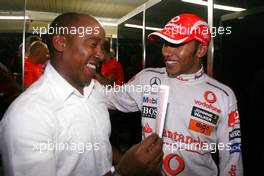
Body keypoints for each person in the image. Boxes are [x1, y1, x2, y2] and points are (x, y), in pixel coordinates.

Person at [0, 12, 163, 176]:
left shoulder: (93, 89)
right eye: (93, 44)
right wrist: (123, 172)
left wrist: (128, 160)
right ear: (61, 43)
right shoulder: (28, 116)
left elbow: (98, 142)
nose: (100, 54)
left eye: (101, 46)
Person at [106, 13, 243, 175]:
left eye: (177, 44)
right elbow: (107, 99)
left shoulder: (223, 96)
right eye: (166, 43)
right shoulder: (148, 78)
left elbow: (232, 156)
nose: (166, 51)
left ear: (201, 50)